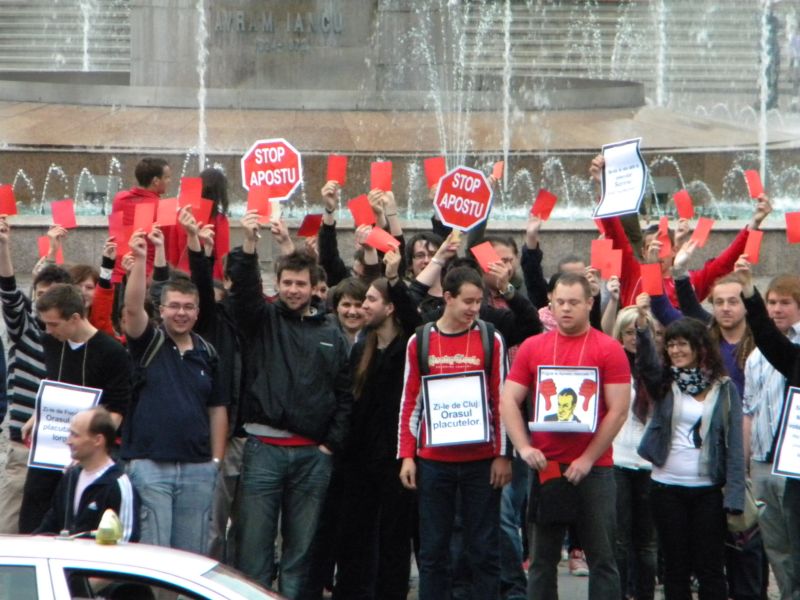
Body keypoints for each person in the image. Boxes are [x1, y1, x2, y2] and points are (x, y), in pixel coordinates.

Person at [228, 211, 353, 598]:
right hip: (264, 451)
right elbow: (244, 291)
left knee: (301, 555)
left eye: (301, 283)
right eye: (286, 282)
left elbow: (345, 392)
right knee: (255, 552)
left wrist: (330, 443)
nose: (293, 289)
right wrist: (249, 245)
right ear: (277, 284)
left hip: (313, 458)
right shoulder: (262, 318)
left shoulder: (332, 329)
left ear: (315, 287)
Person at [500, 271, 631, 600]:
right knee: (542, 559)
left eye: (574, 302)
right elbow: (508, 400)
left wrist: (587, 459)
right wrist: (523, 447)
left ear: (589, 303)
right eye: (560, 302)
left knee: (602, 557)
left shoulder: (609, 348)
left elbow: (618, 410)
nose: (566, 309)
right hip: (547, 465)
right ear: (550, 304)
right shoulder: (533, 347)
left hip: (595, 466)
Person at [398, 266, 511, 600]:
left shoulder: (491, 338)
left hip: (481, 462)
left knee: (484, 550)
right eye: (467, 302)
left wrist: (503, 455)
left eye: (478, 302)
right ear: (447, 298)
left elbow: (501, 400)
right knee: (433, 551)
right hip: (434, 463)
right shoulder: (420, 340)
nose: (474, 309)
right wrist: (407, 455)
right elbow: (410, 402)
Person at [122, 229, 228, 555]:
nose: (181, 313)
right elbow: (131, 311)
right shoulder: (148, 342)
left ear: (198, 312)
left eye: (188, 307)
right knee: (155, 556)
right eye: (174, 306)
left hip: (198, 468)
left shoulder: (208, 353)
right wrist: (140, 261)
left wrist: (215, 460)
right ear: (162, 310)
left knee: (190, 557)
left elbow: (218, 409)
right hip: (151, 464)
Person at [637, 317, 745, 600]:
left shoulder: (724, 388)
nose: (675, 350)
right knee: (675, 567)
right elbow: (647, 366)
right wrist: (642, 330)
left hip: (708, 490)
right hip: (666, 487)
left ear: (700, 347)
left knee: (710, 568)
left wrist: (734, 499)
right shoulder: (664, 383)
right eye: (671, 345)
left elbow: (734, 446)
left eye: (682, 344)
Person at [333, 250, 420, 600]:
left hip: (396, 459)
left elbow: (413, 314)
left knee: (394, 539)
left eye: (371, 299)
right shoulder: (361, 349)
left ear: (390, 307)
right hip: (358, 460)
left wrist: (396, 278)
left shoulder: (409, 346)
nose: (363, 306)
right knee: (354, 534)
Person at [0, 213, 73, 534]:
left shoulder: (77, 341)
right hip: (25, 449)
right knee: (10, 534)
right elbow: (10, 294)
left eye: (55, 294)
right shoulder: (26, 329)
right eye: (42, 293)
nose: (48, 300)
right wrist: (4, 246)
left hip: (63, 452)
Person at [741, 263, 800, 599]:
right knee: (778, 545)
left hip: (793, 467)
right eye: (772, 302)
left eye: (785, 302)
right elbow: (767, 339)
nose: (778, 309)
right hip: (776, 461)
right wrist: (750, 295)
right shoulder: (784, 354)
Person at [34, 407, 138, 541]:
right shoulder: (70, 478)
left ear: (98, 440)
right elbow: (49, 525)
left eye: (75, 435)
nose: (68, 441)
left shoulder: (119, 485)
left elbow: (126, 540)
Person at [611, 303, 658, 600]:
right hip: (616, 459)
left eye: (639, 332)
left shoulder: (656, 368)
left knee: (648, 543)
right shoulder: (612, 365)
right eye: (628, 332)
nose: (633, 338)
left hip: (650, 463)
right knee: (619, 539)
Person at [110, 157, 172, 281]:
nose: (170, 181)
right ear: (156, 181)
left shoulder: (119, 198)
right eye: (167, 177)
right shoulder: (165, 207)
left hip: (118, 274)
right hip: (145, 278)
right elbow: (167, 249)